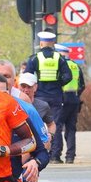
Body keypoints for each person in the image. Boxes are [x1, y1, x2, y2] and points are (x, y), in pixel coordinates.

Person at [23, 31, 71, 163]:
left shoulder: (34, 58)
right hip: (56, 96)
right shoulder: (59, 58)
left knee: (35, 124)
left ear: (41, 43)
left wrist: (35, 86)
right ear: (53, 44)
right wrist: (57, 84)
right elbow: (68, 76)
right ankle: (55, 156)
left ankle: (37, 152)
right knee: (55, 124)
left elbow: (27, 75)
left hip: (39, 97)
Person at [54, 44, 84, 164]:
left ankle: (56, 155)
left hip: (61, 98)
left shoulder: (59, 65)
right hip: (74, 99)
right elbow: (82, 84)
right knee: (71, 128)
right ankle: (70, 156)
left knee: (57, 126)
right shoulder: (75, 65)